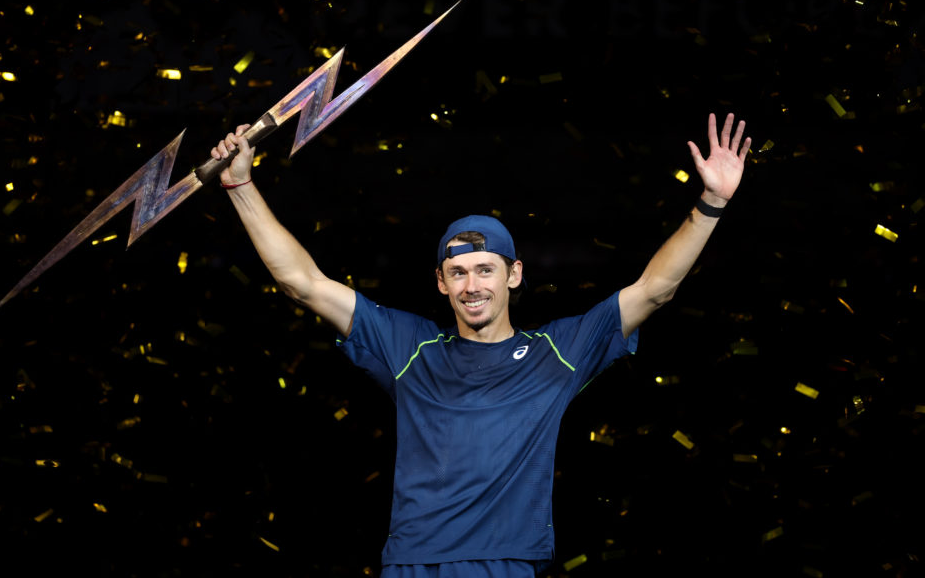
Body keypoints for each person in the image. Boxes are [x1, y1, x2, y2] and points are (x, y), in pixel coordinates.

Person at [211, 113, 750, 578]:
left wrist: (712, 201)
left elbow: (656, 289)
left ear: (513, 275)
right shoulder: (408, 346)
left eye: (485, 270)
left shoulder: (558, 352)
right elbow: (301, 282)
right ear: (441, 282)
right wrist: (241, 188)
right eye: (459, 272)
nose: (473, 285)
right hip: (412, 562)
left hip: (506, 562)